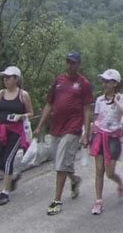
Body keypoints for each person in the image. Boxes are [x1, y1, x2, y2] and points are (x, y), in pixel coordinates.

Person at [34, 51, 93, 215]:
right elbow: (49, 104)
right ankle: (74, 180)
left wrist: (86, 133)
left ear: (78, 64)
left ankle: (56, 200)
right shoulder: (58, 81)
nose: (70, 65)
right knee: (59, 162)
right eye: (68, 62)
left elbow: (87, 109)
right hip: (55, 128)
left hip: (72, 128)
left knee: (60, 165)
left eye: (73, 62)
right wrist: (39, 126)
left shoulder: (83, 84)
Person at [0, 66, 34, 205]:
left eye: (8, 77)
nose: (5, 79)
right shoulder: (0, 94)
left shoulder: (23, 95)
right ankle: (12, 176)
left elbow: (31, 113)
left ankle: (5, 192)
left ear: (16, 79)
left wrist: (20, 116)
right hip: (1, 129)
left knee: (9, 159)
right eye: (4, 77)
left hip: (16, 131)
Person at [89, 69, 123, 215]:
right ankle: (98, 201)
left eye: (108, 81)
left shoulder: (122, 98)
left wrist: (117, 102)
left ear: (115, 83)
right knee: (99, 170)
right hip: (99, 136)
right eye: (103, 81)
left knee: (109, 172)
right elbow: (96, 119)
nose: (104, 84)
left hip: (113, 138)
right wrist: (89, 135)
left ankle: (119, 183)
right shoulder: (99, 100)